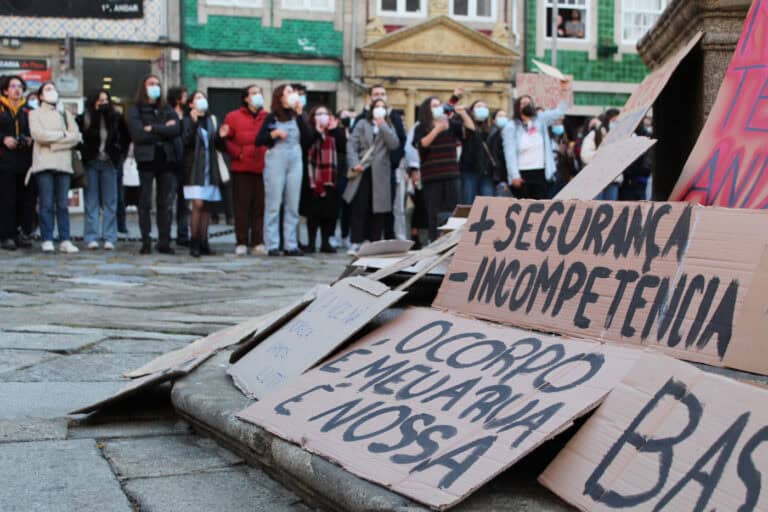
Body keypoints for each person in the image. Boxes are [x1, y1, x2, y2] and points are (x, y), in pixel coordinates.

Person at [255, 84, 312, 257]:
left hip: (295, 158)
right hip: (276, 159)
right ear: (280, 97)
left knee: (293, 204)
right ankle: (272, 244)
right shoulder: (272, 117)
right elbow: (259, 140)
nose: (292, 94)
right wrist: (274, 134)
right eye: (289, 92)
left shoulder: (298, 116)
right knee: (274, 203)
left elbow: (309, 138)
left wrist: (301, 113)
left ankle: (291, 244)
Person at [127, 74, 181, 254]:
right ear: (144, 87)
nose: (155, 87)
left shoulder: (166, 108)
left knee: (165, 202)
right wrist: (163, 130)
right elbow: (138, 134)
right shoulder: (136, 109)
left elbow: (176, 129)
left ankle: (164, 240)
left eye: (157, 84)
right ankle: (146, 240)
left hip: (166, 158)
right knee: (145, 201)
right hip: (146, 159)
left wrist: (154, 128)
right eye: (151, 84)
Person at [27, 81, 81, 253]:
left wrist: (55, 144)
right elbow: (38, 135)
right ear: (41, 95)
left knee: (63, 204)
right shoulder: (34, 114)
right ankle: (47, 238)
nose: (52, 92)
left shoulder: (65, 114)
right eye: (48, 89)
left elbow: (75, 136)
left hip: (64, 164)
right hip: (44, 164)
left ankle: (65, 239)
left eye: (53, 89)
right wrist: (62, 136)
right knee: (46, 203)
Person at [413, 96, 475, 241]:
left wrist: (463, 114)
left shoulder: (451, 124)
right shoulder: (421, 127)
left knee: (453, 212)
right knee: (433, 214)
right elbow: (422, 144)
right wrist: (437, 129)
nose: (437, 108)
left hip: (451, 174)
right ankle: (434, 242)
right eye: (433, 105)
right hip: (431, 177)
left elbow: (470, 131)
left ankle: (452, 242)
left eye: (438, 105)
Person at [345, 98, 400, 254]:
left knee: (379, 209)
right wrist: (354, 162)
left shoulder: (389, 125)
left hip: (381, 172)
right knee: (359, 206)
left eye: (383, 107)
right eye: (377, 106)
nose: (380, 109)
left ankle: (374, 242)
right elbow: (352, 144)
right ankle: (355, 241)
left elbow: (394, 144)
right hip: (363, 170)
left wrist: (382, 125)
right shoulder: (362, 124)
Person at [76, 89, 128, 250]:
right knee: (91, 201)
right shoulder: (85, 117)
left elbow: (126, 137)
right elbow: (78, 137)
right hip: (91, 162)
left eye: (106, 100)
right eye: (100, 101)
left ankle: (109, 237)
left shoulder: (116, 118)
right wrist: (84, 152)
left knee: (110, 202)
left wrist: (119, 153)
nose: (103, 104)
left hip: (109, 163)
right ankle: (91, 237)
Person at [502, 81, 570, 200]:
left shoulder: (540, 120)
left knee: (540, 206)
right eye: (523, 103)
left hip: (540, 172)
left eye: (529, 103)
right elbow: (510, 153)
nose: (527, 105)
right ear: (518, 107)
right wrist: (514, 175)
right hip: (522, 173)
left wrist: (564, 90)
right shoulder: (511, 126)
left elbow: (559, 111)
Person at [354, 85, 407, 237]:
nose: (380, 96)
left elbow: (399, 142)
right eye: (376, 94)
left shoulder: (394, 117)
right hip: (366, 168)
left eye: (383, 94)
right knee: (366, 205)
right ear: (370, 97)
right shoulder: (362, 118)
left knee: (389, 206)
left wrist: (394, 164)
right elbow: (354, 143)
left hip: (387, 168)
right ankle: (365, 238)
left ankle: (389, 236)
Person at [222, 84, 268, 256]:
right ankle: (241, 241)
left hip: (262, 167)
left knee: (259, 207)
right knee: (241, 207)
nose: (258, 96)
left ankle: (257, 241)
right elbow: (225, 139)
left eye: (260, 93)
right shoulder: (233, 117)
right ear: (246, 98)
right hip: (241, 167)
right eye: (254, 93)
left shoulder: (267, 117)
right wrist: (238, 153)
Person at [182, 91, 227, 257]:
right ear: (191, 104)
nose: (202, 101)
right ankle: (193, 242)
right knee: (198, 204)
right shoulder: (187, 120)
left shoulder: (211, 120)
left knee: (207, 205)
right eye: (198, 98)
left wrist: (221, 136)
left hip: (210, 166)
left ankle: (203, 242)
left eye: (203, 98)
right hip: (194, 168)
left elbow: (218, 145)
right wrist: (193, 124)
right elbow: (186, 141)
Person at [302, 105, 342, 253]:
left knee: (329, 213)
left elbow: (343, 146)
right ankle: (311, 242)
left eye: (325, 113)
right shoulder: (309, 130)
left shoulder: (334, 131)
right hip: (313, 177)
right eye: (319, 114)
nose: (322, 116)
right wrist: (318, 131)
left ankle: (326, 242)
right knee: (313, 213)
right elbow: (306, 144)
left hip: (331, 178)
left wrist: (335, 129)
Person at [0, 75, 33, 250]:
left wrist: (28, 139)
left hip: (23, 160)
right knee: (6, 199)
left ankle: (20, 232)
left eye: (19, 86)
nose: (17, 89)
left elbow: (31, 132)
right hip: (4, 160)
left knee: (23, 199)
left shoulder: (26, 110)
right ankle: (6, 235)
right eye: (13, 86)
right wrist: (3, 138)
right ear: (5, 90)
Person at [459, 100, 497, 204]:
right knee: (468, 203)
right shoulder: (464, 127)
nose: (482, 109)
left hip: (487, 172)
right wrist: (464, 113)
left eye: (484, 107)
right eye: (478, 106)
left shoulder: (492, 130)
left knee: (488, 204)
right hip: (469, 171)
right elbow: (471, 129)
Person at [167, 86, 190, 246]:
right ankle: (165, 234)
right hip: (171, 164)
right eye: (184, 97)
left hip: (187, 164)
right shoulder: (167, 114)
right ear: (177, 99)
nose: (186, 100)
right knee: (168, 201)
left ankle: (183, 234)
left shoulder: (189, 116)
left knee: (184, 202)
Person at [581, 108, 621, 200]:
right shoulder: (595, 134)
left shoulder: (619, 136)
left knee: (612, 210)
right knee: (596, 209)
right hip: (596, 179)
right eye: (614, 120)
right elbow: (585, 155)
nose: (615, 123)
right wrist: (603, 153)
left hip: (613, 179)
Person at [488, 109, 512, 197]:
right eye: (500, 116)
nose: (503, 118)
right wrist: (502, 179)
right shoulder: (493, 136)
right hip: (500, 178)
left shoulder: (510, 134)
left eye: (505, 116)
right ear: (494, 120)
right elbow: (497, 158)